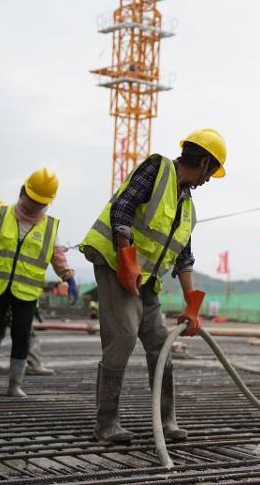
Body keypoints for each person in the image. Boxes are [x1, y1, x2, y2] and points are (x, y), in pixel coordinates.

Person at [79, 128, 226, 443]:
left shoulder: (187, 206)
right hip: (116, 263)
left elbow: (183, 257)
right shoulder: (157, 168)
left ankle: (166, 420)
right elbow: (122, 208)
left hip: (146, 280)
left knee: (160, 343)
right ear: (203, 163)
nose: (209, 180)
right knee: (123, 336)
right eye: (211, 171)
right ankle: (106, 424)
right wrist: (126, 258)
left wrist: (191, 306)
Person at [0, 170, 76, 397]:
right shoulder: (3, 215)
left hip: (26, 292)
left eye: (40, 203)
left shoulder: (50, 226)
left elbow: (57, 256)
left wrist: (69, 278)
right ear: (23, 192)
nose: (34, 206)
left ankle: (15, 384)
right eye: (32, 200)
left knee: (21, 336)